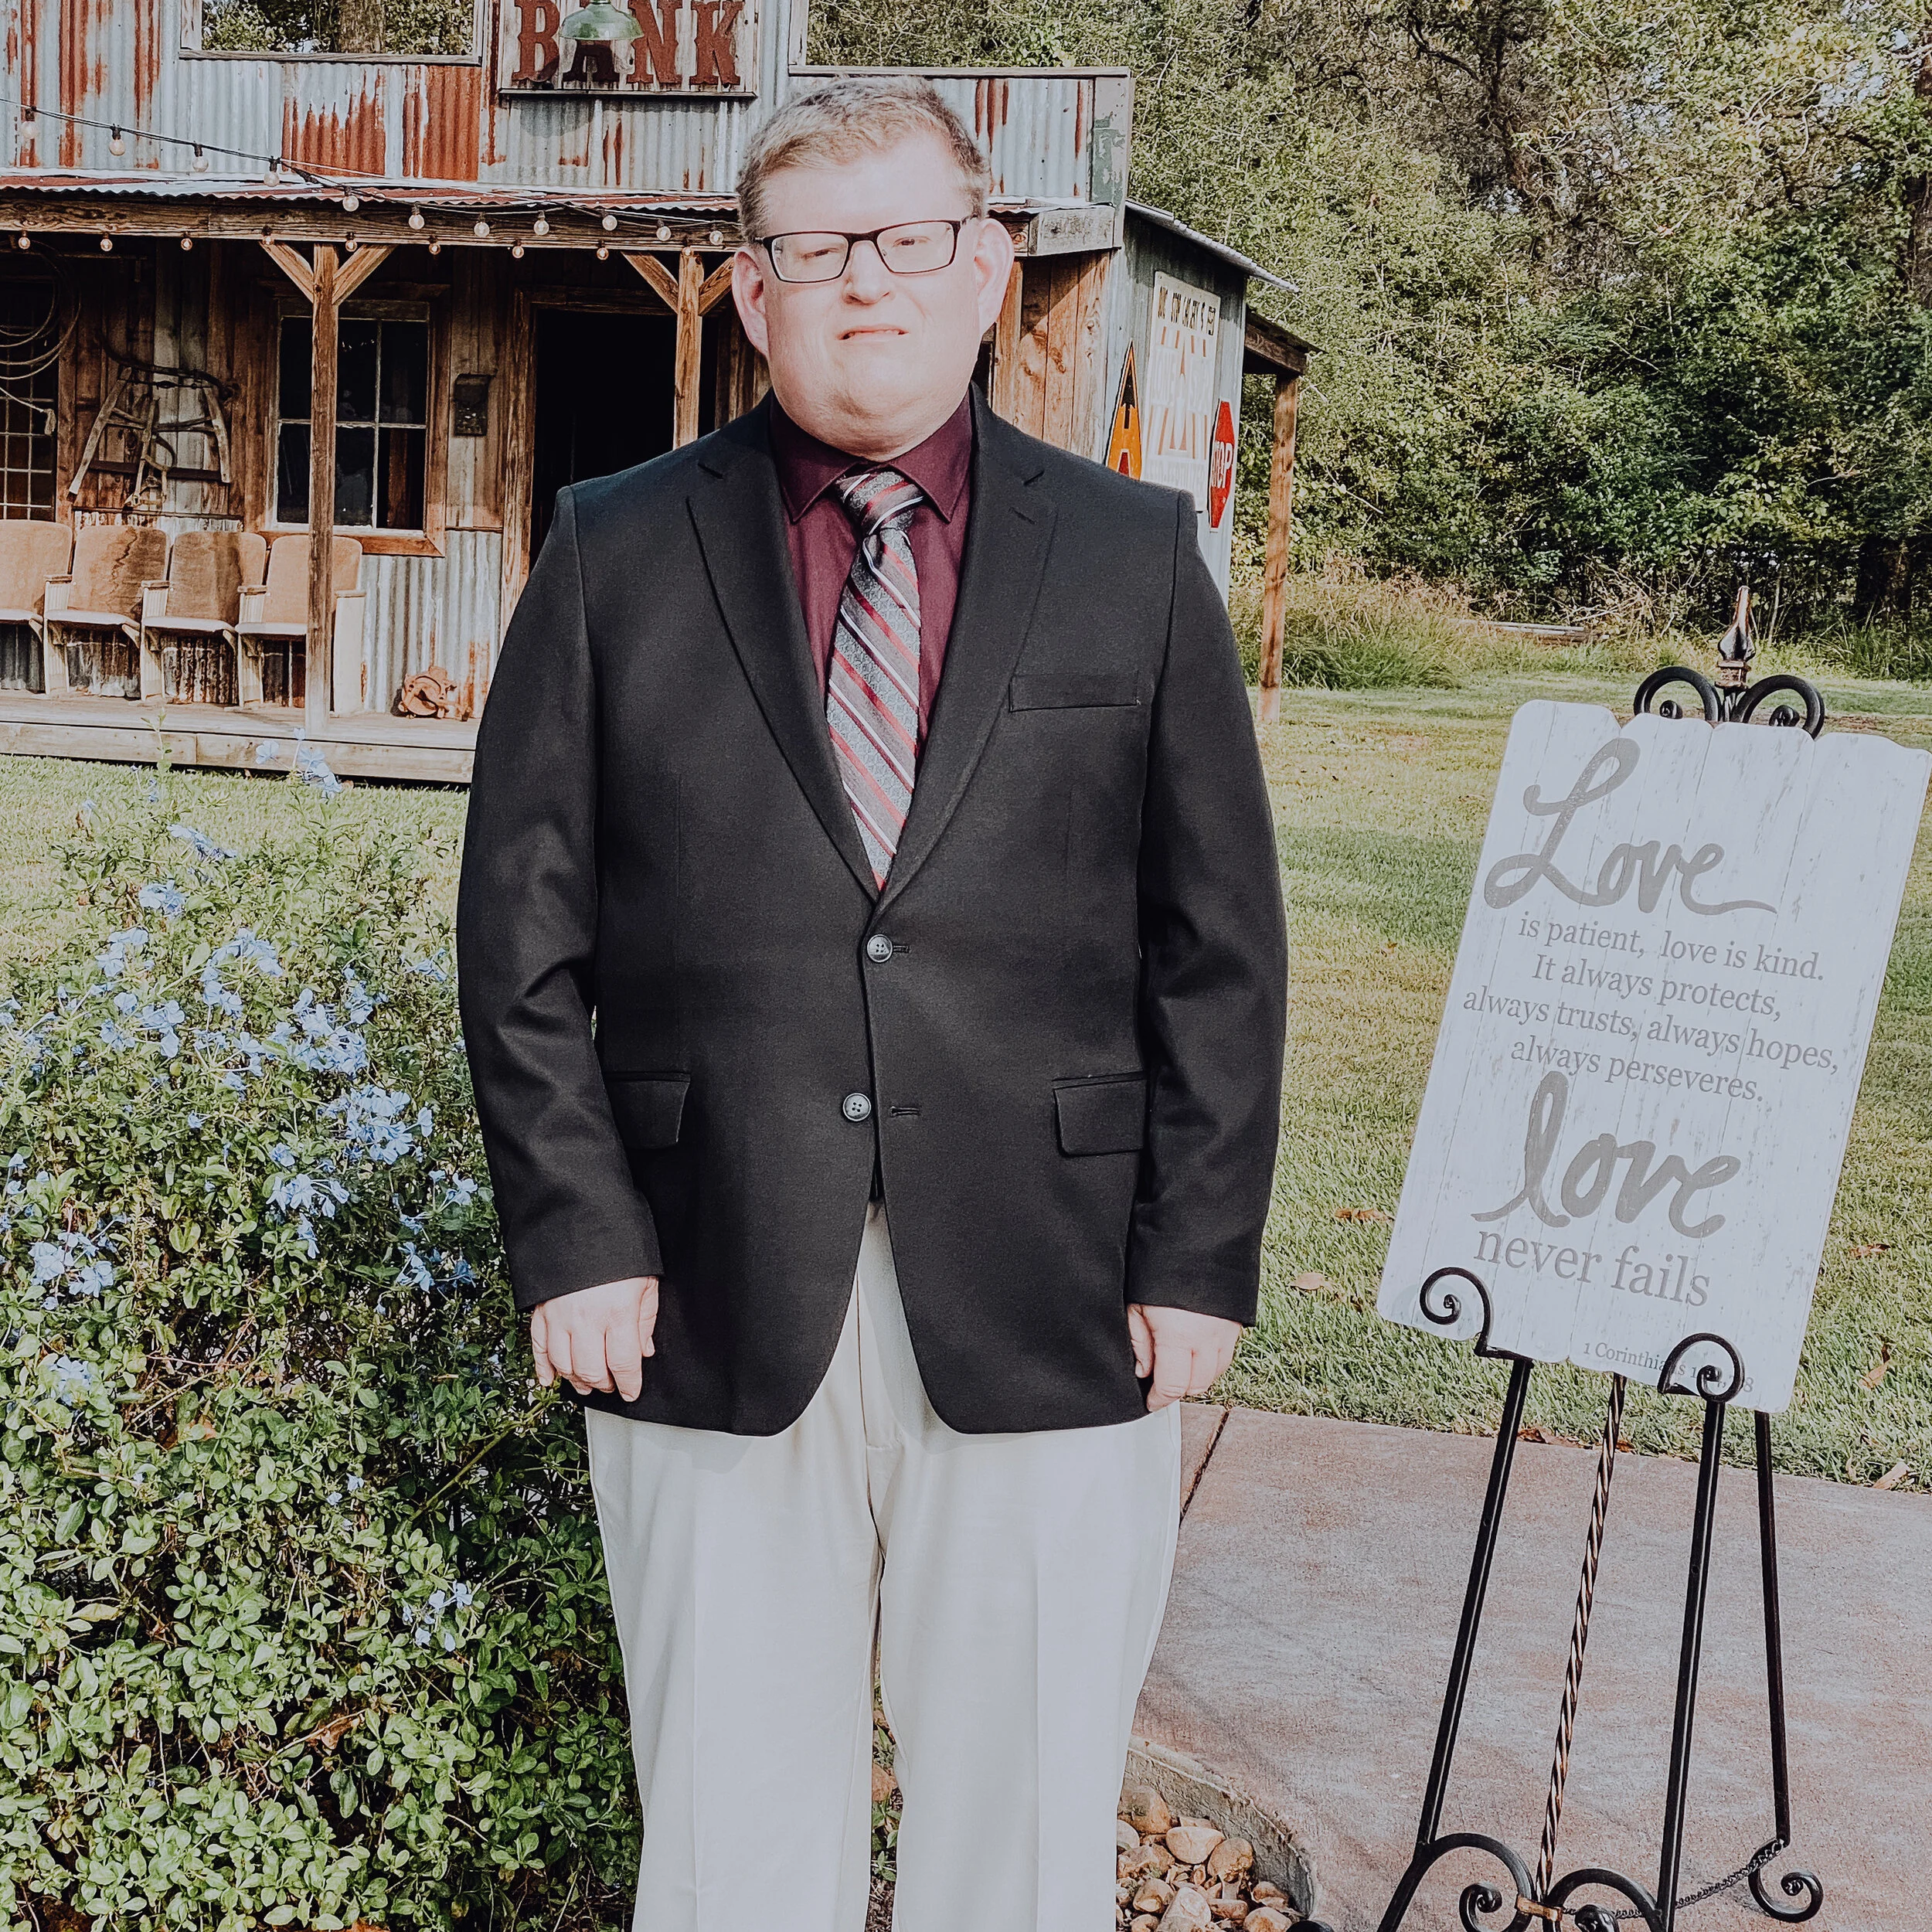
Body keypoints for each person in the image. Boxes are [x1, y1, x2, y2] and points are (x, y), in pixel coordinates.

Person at [455, 75, 1287, 1932]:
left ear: (987, 266)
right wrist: (574, 1232)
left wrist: (1195, 1253)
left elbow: (1217, 946)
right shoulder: (611, 547)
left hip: (1061, 1277)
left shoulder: (1136, 560)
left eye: (910, 241)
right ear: (750, 293)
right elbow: (520, 939)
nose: (868, 288)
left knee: (1027, 1817)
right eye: (818, 253)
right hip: (703, 1268)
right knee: (735, 1821)